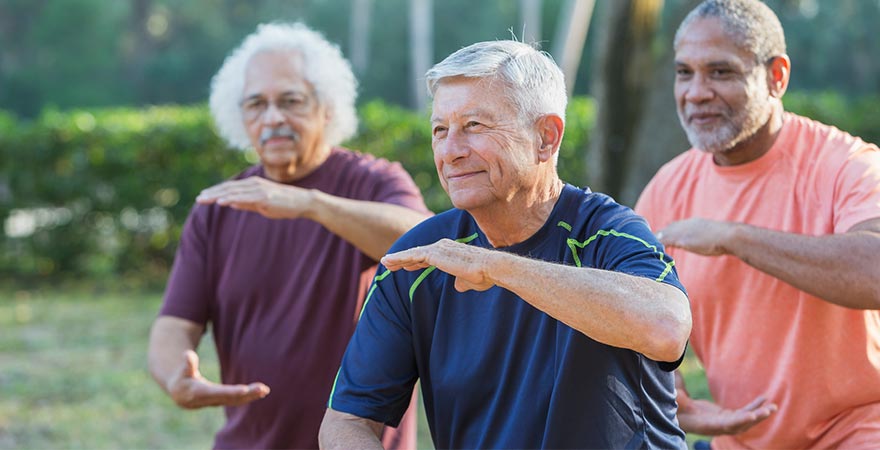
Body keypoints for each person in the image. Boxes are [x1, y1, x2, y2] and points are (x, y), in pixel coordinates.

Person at [318, 40, 692, 449]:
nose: (451, 151)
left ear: (545, 138)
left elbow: (666, 328)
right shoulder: (419, 257)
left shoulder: (607, 232)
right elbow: (345, 422)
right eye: (440, 130)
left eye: (474, 126)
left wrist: (496, 267)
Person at [146, 22, 429, 450]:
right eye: (256, 104)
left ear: (327, 108)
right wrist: (174, 376)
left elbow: (420, 242)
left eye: (291, 101)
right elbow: (173, 324)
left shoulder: (373, 181)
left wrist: (311, 204)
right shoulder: (219, 208)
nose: (273, 117)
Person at [634, 0, 880, 448]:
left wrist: (734, 236)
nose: (696, 92)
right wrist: (674, 394)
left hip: (859, 428)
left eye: (721, 72)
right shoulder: (666, 190)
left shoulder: (849, 165)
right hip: (741, 437)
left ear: (777, 77)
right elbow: (633, 321)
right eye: (684, 72)